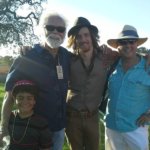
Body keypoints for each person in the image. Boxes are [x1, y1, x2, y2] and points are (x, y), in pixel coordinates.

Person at [0, 11, 70, 150]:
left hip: (59, 128)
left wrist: (107, 53)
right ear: (41, 29)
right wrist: (3, 128)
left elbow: (87, 55)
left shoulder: (66, 55)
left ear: (65, 33)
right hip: (33, 129)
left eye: (60, 29)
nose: (55, 32)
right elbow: (9, 94)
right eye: (50, 27)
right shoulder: (28, 56)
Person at [65, 17, 119, 150]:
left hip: (92, 117)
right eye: (79, 36)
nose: (83, 39)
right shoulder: (68, 59)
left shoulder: (106, 56)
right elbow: (49, 55)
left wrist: (145, 57)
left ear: (92, 37)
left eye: (86, 35)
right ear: (74, 40)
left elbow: (128, 55)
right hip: (72, 117)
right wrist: (28, 51)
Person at [105, 25, 150, 150]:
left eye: (131, 41)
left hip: (136, 129)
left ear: (137, 44)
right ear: (117, 46)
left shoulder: (148, 67)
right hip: (111, 127)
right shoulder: (111, 64)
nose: (128, 45)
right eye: (123, 42)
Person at [7, 80, 52, 150]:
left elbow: (46, 147)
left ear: (34, 101)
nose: (25, 101)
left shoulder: (41, 123)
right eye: (20, 98)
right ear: (14, 99)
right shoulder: (8, 117)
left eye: (29, 98)